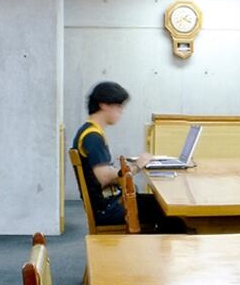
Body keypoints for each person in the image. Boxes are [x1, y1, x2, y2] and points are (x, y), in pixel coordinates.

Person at [71, 81, 170, 230]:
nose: (121, 111)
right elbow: (103, 177)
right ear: (104, 105)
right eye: (118, 106)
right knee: (167, 211)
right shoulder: (92, 137)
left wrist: (131, 167)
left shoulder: (88, 131)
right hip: (107, 209)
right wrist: (136, 165)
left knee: (157, 204)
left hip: (107, 203)